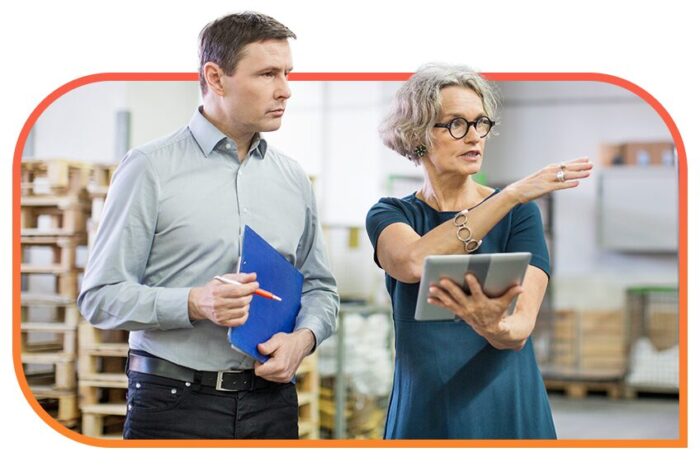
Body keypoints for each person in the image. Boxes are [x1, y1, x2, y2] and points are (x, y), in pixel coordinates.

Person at [78, 12, 339, 439]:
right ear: (215, 78)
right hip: (173, 403)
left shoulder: (293, 179)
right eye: (268, 74)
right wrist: (195, 303)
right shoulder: (150, 168)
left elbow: (320, 287)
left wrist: (304, 338)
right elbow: (100, 298)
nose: (286, 90)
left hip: (272, 404)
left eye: (287, 73)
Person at [366, 64, 593, 439]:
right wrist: (511, 193)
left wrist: (494, 325)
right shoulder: (391, 213)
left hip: (507, 403)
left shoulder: (519, 214)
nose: (474, 137)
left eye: (481, 123)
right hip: (426, 407)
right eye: (456, 124)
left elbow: (520, 328)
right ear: (418, 135)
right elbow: (411, 262)